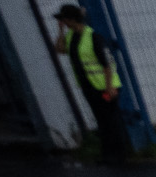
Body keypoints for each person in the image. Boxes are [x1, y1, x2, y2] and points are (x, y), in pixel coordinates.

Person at [54, 5, 132, 168]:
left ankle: (120, 154)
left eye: (64, 20)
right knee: (102, 121)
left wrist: (109, 87)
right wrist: (60, 31)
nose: (63, 22)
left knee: (111, 120)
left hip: (104, 86)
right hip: (89, 86)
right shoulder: (71, 37)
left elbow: (107, 63)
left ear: (70, 19)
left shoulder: (93, 37)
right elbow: (60, 50)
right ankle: (108, 155)